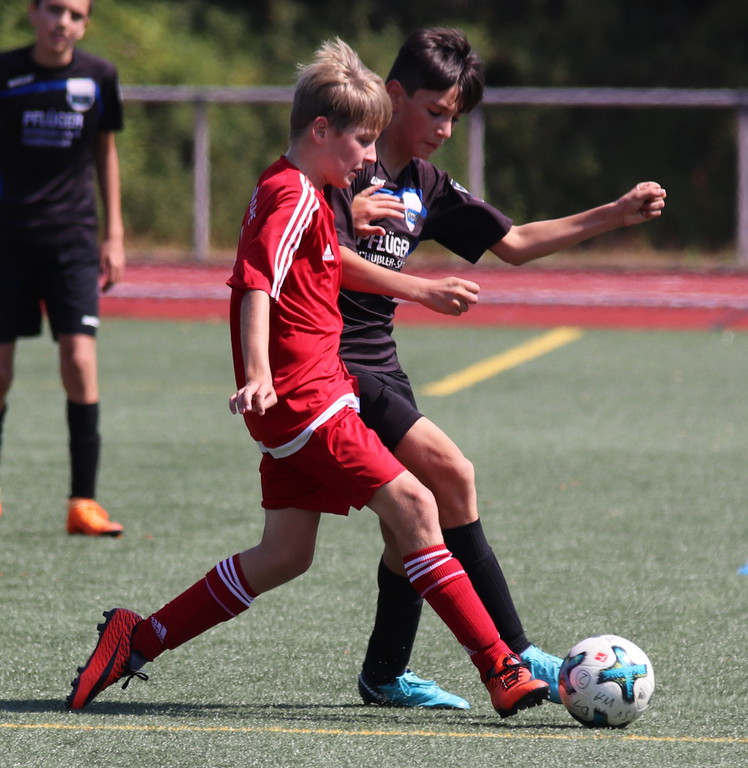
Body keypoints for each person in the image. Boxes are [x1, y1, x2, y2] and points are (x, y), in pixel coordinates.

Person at [65, 39, 550, 719]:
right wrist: (260, 373)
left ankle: (135, 640)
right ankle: (500, 664)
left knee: (285, 554)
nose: (367, 156)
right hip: (303, 397)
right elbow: (254, 283)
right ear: (321, 131)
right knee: (417, 506)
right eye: (361, 141)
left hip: (313, 395)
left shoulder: (308, 194)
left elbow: (321, 266)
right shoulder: (291, 194)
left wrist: (392, 266)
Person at [326, 27, 667, 709]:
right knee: (452, 474)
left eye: (454, 117)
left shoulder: (424, 184)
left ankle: (384, 674)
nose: (444, 130)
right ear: (394, 94)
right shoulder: (344, 166)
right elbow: (319, 254)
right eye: (435, 111)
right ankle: (516, 650)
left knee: (406, 528)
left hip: (383, 365)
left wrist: (615, 214)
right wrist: (419, 287)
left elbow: (513, 241)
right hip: (334, 363)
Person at [0, 0, 126, 534]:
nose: (63, 22)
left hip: (72, 239)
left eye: (75, 15)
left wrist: (114, 232)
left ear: (85, 24)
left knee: (78, 360)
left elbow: (105, 152)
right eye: (54, 10)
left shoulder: (99, 76)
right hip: (7, 240)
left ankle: (83, 503)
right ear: (32, 13)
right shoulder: (5, 72)